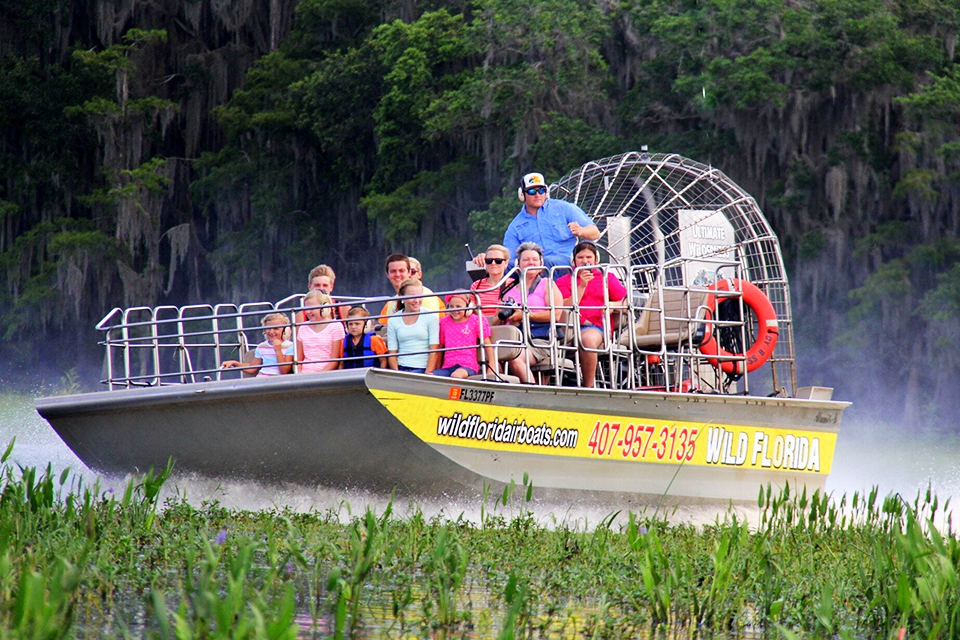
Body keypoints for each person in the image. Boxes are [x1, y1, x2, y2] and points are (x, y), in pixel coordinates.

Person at [473, 172, 600, 272]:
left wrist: (581, 231)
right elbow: (508, 257)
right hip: (534, 269)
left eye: (541, 190)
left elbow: (595, 233)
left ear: (546, 192)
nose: (537, 195)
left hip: (568, 264)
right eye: (532, 191)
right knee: (501, 266)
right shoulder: (515, 226)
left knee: (547, 261)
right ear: (522, 195)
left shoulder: (564, 208)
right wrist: (490, 258)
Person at [555, 241, 628, 388]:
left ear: (596, 260)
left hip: (596, 327)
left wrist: (612, 305)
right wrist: (582, 285)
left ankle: (588, 387)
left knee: (587, 340)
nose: (585, 261)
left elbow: (626, 303)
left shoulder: (606, 277)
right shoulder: (563, 280)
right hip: (567, 328)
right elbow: (562, 305)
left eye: (589, 257)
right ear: (574, 261)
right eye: (580, 257)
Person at [432, 292, 495, 379]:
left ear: (468, 307)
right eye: (451, 306)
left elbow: (487, 345)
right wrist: (438, 368)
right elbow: (440, 348)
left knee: (456, 375)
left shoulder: (475, 320)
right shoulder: (444, 322)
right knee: (430, 377)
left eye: (458, 307)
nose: (454, 310)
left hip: (468, 366)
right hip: (447, 367)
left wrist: (492, 367)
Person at [386, 278, 440, 373]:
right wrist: (397, 374)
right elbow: (392, 353)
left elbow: (434, 351)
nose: (416, 300)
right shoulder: (393, 320)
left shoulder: (431, 316)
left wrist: (427, 374)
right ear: (402, 297)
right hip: (401, 368)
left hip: (423, 368)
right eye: (412, 296)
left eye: (419, 296)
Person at [379, 254, 444, 325]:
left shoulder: (426, 295)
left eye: (401, 271)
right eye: (393, 271)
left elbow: (431, 325)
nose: (397, 274)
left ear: (409, 272)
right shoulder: (392, 302)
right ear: (387, 274)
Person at [222, 313, 294, 376]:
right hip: (262, 378)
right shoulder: (262, 346)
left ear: (285, 330)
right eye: (268, 328)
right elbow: (252, 368)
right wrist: (235, 363)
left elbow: (284, 371)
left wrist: (278, 350)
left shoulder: (290, 346)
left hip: (279, 381)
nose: (271, 332)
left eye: (276, 328)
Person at [296, 291, 345, 373]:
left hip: (326, 374)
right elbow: (299, 360)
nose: (308, 312)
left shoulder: (336, 326)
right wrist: (299, 374)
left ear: (324, 308)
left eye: (312, 308)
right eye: (306, 308)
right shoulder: (303, 327)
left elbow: (335, 360)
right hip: (304, 374)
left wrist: (319, 375)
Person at [469, 244, 512, 319]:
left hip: (505, 323)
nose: (493, 263)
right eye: (489, 261)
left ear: (506, 263)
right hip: (481, 323)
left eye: (498, 261)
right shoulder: (476, 285)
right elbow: (470, 309)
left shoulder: (513, 284)